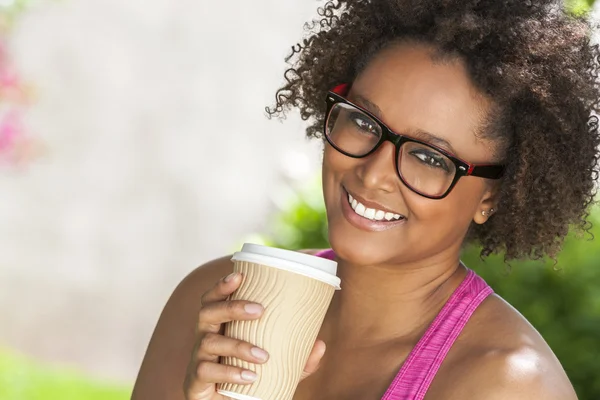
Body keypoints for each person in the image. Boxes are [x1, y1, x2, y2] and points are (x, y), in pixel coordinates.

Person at [132, 0, 599, 399]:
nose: (373, 173)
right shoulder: (214, 302)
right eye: (362, 122)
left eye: (430, 158)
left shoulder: (507, 384)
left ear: (494, 194)